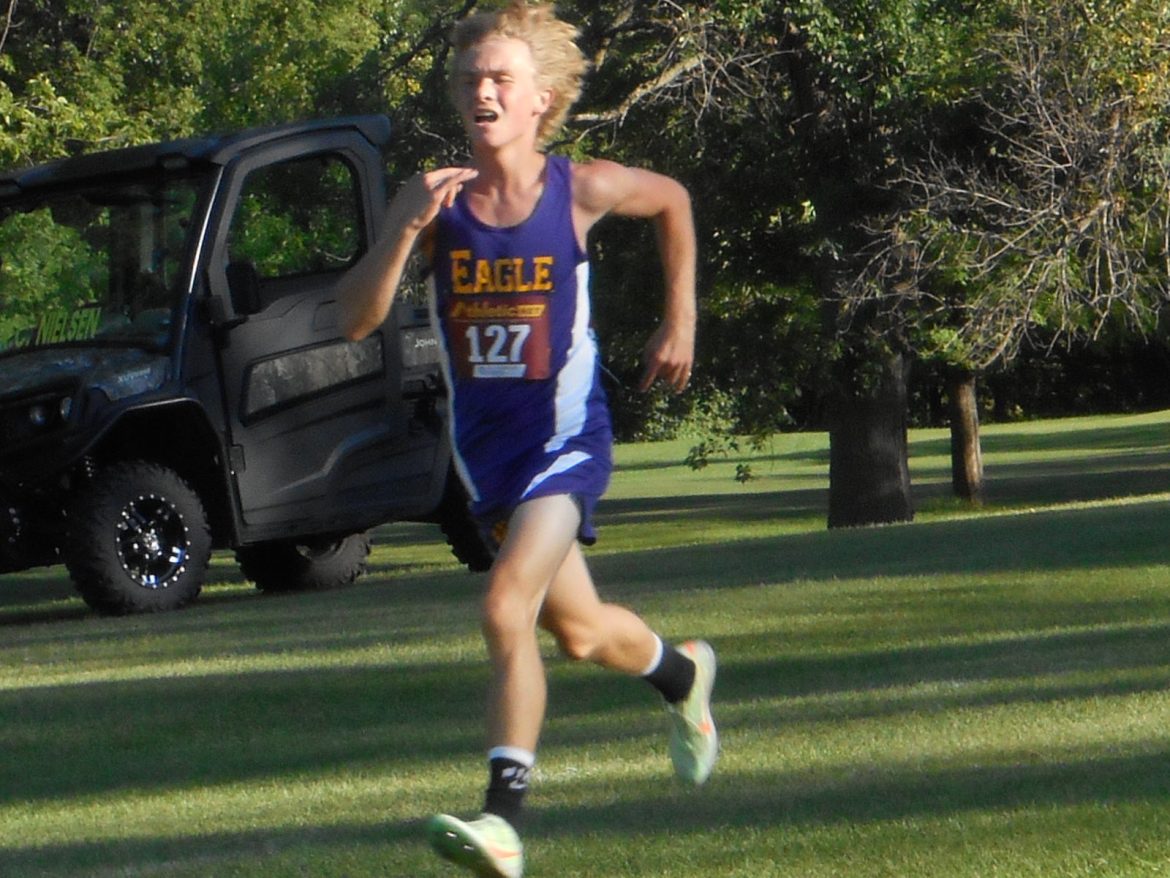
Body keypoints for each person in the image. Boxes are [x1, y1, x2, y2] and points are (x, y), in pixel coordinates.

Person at [337, 2, 717, 875]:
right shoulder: (434, 204)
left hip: (565, 441)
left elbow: (675, 201)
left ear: (540, 98)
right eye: (471, 79)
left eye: (500, 78)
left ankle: (502, 818)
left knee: (505, 606)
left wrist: (680, 321)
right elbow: (354, 320)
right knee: (579, 634)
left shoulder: (578, 188)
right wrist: (401, 232)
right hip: (491, 460)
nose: (483, 91)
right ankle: (682, 674)